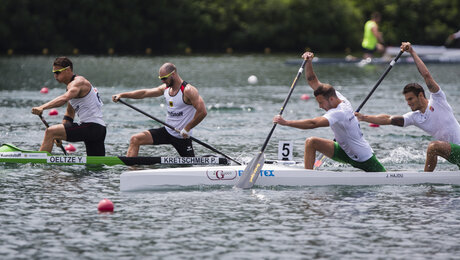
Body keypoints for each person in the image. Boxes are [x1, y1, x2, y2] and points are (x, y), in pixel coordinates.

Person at [355, 42, 460, 172]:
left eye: (410, 99)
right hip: (454, 155)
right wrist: (363, 117)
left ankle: (426, 181)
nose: (408, 103)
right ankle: (430, 185)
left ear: (421, 95)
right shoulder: (415, 117)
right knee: (434, 149)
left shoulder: (438, 100)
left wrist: (412, 52)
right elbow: (388, 119)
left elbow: (426, 75)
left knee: (433, 147)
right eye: (406, 100)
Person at [273, 52, 386, 172]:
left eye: (321, 103)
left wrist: (286, 123)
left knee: (385, 176)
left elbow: (313, 123)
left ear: (331, 99)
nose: (320, 106)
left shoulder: (340, 112)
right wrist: (309, 62)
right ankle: (308, 176)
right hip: (344, 151)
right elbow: (313, 81)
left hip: (364, 158)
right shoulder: (335, 95)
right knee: (311, 142)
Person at [112, 63, 207, 157]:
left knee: (189, 166)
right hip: (167, 131)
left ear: (173, 74)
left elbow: (202, 112)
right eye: (161, 78)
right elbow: (144, 93)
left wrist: (187, 128)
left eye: (164, 78)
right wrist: (122, 95)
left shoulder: (188, 90)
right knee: (135, 139)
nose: (162, 81)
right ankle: (131, 170)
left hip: (182, 136)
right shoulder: (166, 89)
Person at [31, 57, 106, 155]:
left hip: (91, 127)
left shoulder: (78, 82)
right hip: (99, 130)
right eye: (53, 73)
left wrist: (42, 107)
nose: (55, 76)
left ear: (68, 70)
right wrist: (59, 135)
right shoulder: (72, 88)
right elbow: (69, 114)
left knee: (50, 132)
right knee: (96, 165)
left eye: (57, 72)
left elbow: (64, 99)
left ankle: (39, 161)